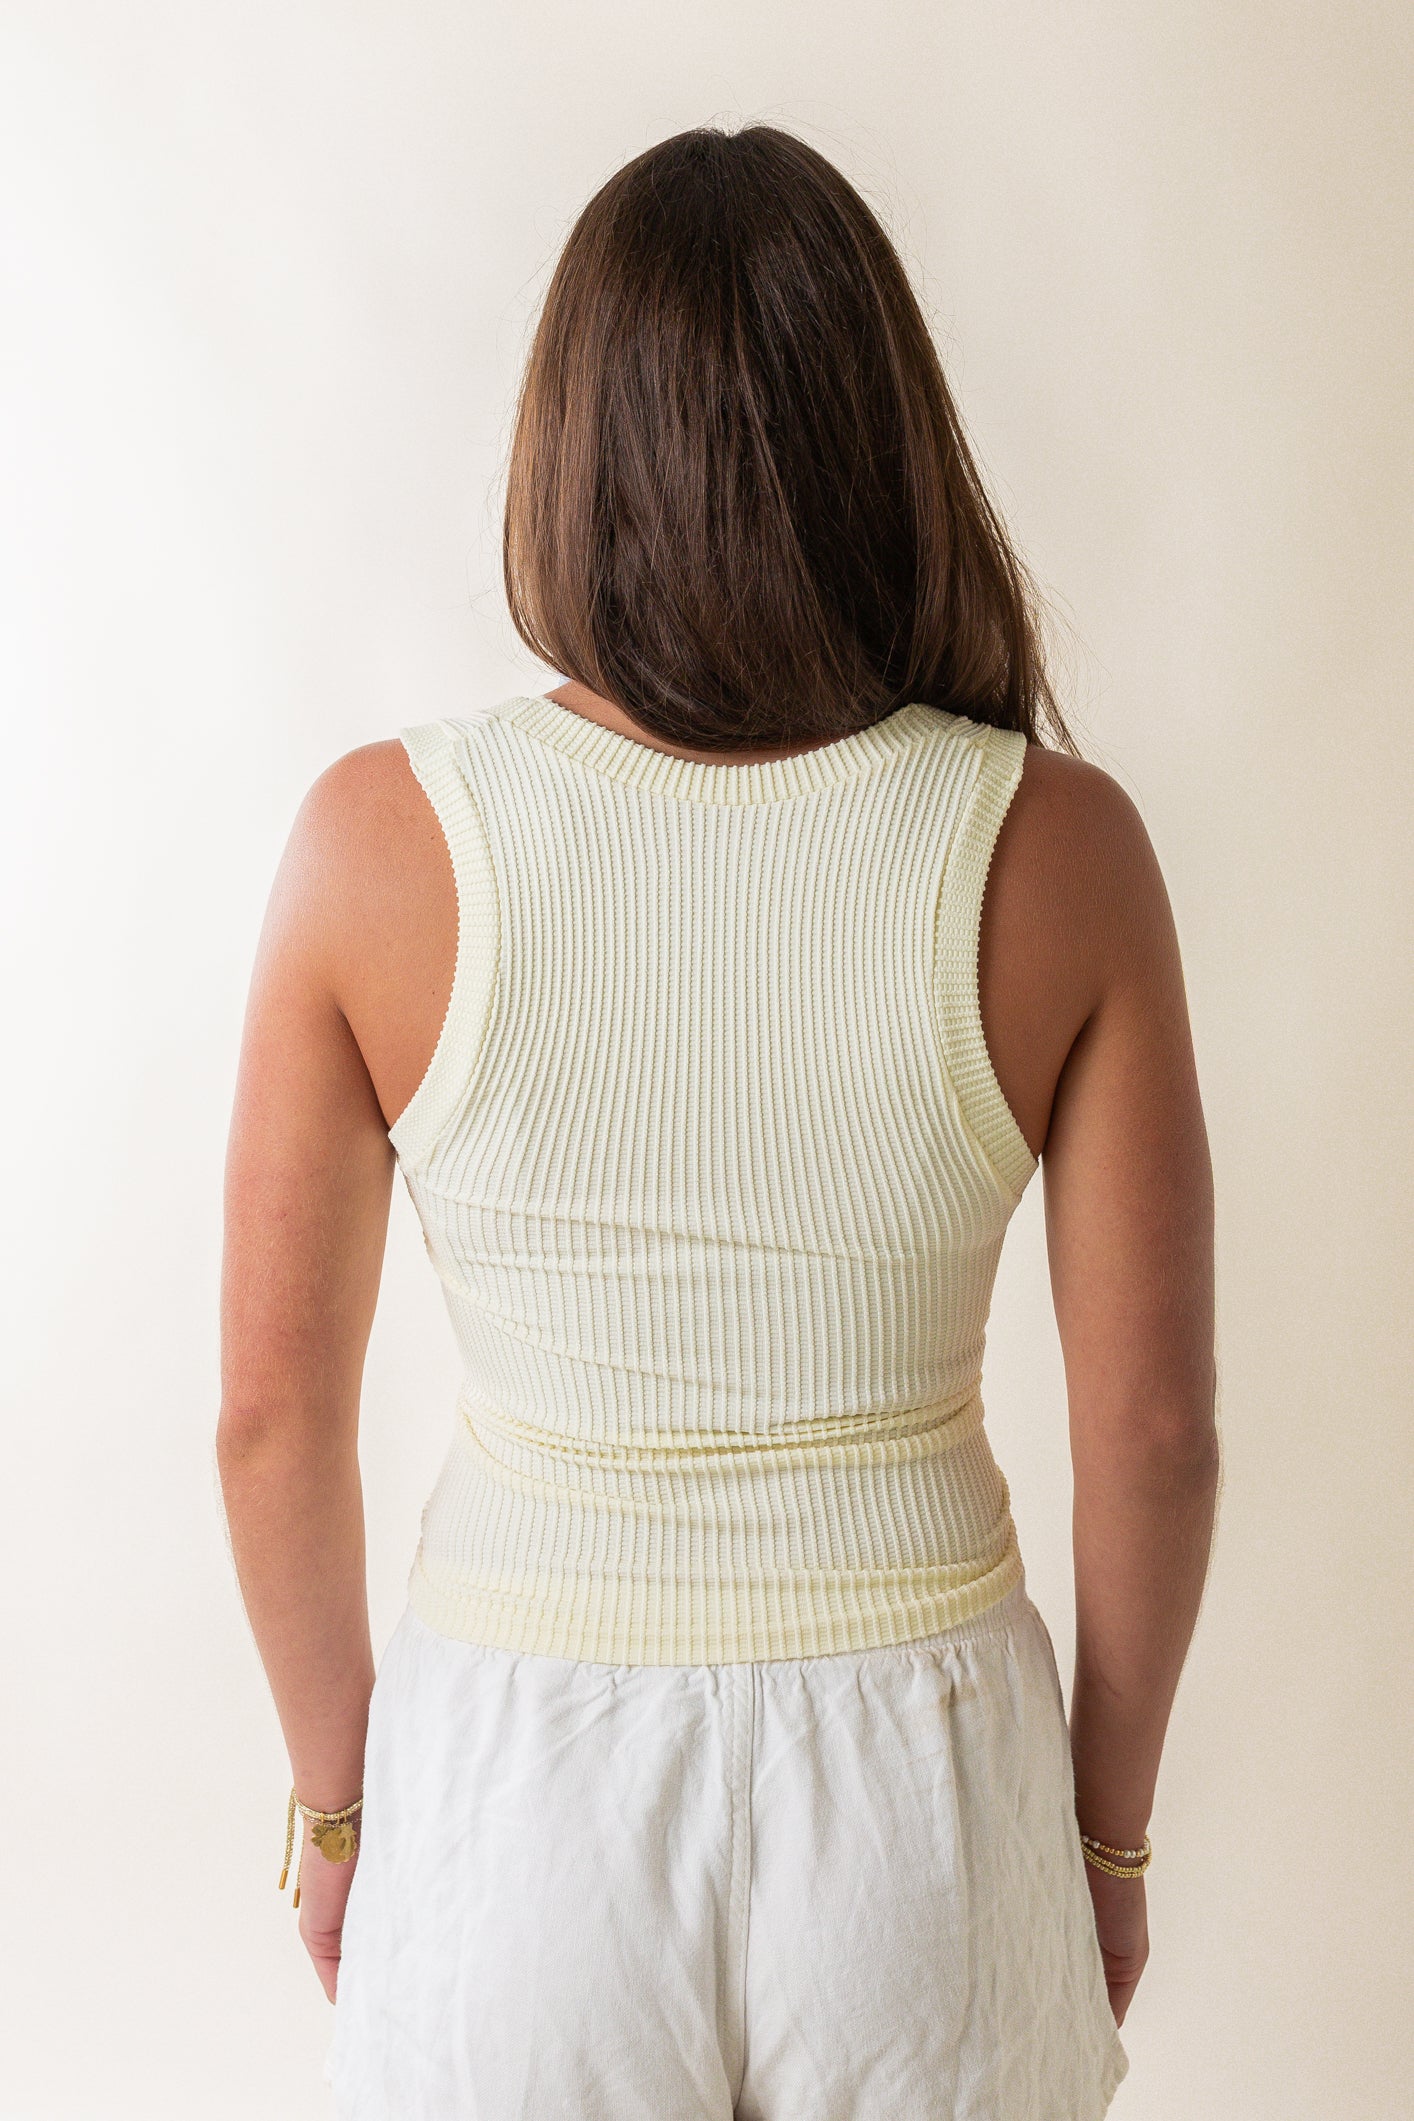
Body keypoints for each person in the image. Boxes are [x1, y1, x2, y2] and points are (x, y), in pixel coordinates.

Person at [217, 122, 1219, 2120]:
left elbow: (265, 1419)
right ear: (885, 441)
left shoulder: (375, 846)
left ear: (566, 448)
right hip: (922, 1786)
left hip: (515, 1783)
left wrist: (337, 1804)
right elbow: (1152, 1433)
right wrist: (1102, 1839)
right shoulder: (1056, 851)